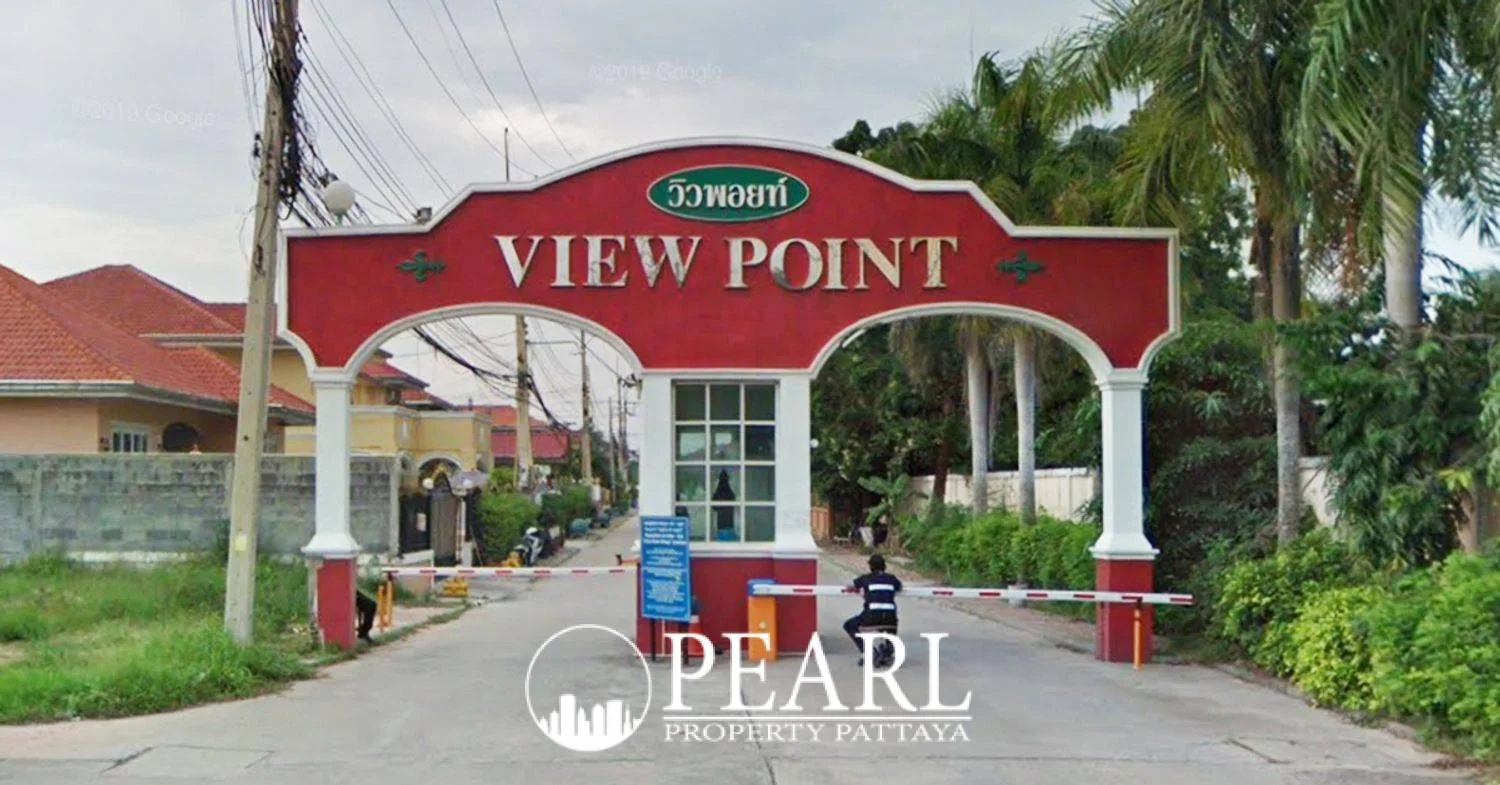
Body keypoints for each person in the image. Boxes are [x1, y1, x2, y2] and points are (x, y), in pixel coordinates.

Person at [843, 554, 902, 665]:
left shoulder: (865, 579)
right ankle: (887, 652)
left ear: (870, 567)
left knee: (849, 625)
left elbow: (853, 585)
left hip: (871, 618)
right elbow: (899, 586)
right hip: (890, 620)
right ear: (884, 566)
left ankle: (869, 653)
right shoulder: (892, 579)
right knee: (891, 621)